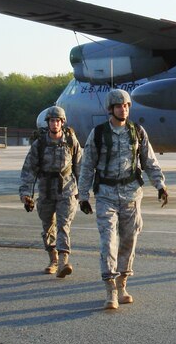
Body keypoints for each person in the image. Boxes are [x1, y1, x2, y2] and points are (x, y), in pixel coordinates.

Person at [78, 89, 168, 310]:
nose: (123, 109)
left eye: (126, 105)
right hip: (106, 196)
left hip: (131, 195)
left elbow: (149, 160)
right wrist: (83, 195)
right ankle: (110, 289)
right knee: (108, 242)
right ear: (111, 109)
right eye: (119, 106)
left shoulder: (137, 132)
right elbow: (87, 165)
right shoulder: (98, 134)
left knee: (129, 240)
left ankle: (122, 283)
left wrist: (160, 185)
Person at [19, 105, 82, 277]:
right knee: (47, 226)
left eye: (58, 121)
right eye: (52, 121)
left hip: (67, 190)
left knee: (64, 225)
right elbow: (29, 170)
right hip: (46, 189)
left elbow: (79, 166)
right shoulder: (40, 144)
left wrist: (83, 192)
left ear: (63, 123)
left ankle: (63, 261)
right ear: (48, 123)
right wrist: (26, 193)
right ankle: (53, 258)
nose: (55, 124)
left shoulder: (71, 141)